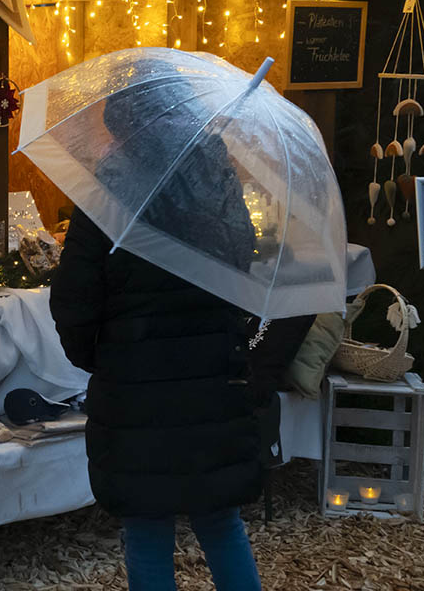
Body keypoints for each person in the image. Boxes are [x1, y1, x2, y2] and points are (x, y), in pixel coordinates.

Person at [49, 83, 264, 591]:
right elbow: (243, 261)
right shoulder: (216, 177)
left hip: (135, 384)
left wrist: (97, 358)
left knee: (146, 528)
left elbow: (74, 297)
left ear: (125, 125)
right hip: (215, 378)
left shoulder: (108, 188)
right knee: (219, 522)